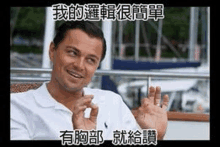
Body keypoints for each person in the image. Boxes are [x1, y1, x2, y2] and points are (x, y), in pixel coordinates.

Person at [10, 21, 169, 141]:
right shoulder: (17, 106)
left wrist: (153, 136)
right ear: (52, 51)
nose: (79, 66)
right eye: (72, 53)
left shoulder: (112, 101)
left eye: (90, 60)